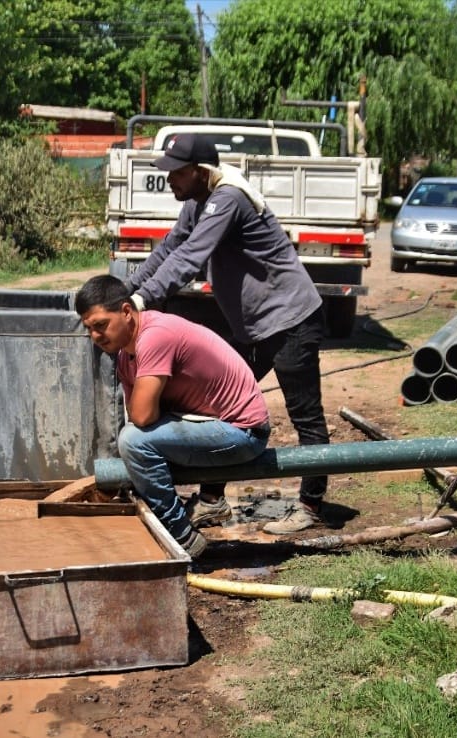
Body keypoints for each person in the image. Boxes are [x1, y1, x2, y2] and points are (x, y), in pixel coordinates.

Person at [125, 133, 329, 535]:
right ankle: (213, 501)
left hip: (290, 320)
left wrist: (144, 300)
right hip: (253, 327)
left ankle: (310, 504)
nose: (170, 181)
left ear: (200, 172)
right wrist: (128, 291)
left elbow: (189, 257)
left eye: (177, 174)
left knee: (305, 415)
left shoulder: (228, 199)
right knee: (215, 404)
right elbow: (169, 248)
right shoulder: (200, 202)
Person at [75, 274, 271, 557]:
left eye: (101, 326)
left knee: (134, 442)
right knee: (137, 443)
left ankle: (181, 535)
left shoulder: (155, 337)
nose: (95, 336)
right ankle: (174, 513)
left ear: (127, 312)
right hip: (210, 425)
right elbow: (142, 414)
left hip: (244, 432)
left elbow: (141, 417)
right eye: (89, 329)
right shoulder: (125, 353)